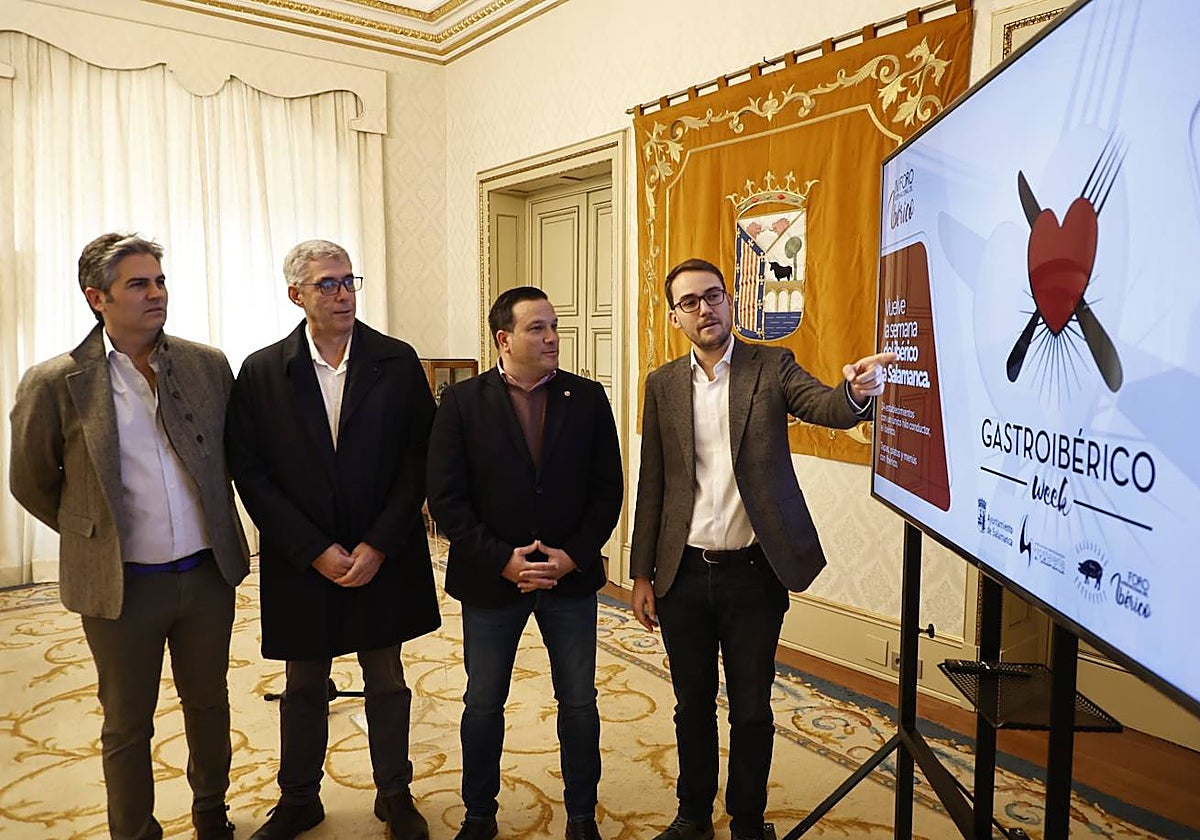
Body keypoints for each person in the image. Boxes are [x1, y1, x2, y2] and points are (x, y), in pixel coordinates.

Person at [629, 258, 894, 840]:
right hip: (682, 575)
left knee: (751, 707)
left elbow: (825, 407)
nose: (706, 309)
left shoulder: (771, 366)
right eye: (691, 302)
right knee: (690, 706)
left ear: (731, 301)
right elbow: (654, 482)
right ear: (676, 316)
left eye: (715, 296)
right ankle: (694, 813)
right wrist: (641, 573)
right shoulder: (663, 384)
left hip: (754, 572)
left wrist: (853, 392)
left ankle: (747, 819)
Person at [8, 233, 250, 840]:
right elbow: (32, 481)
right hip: (122, 586)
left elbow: (234, 455)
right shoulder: (57, 380)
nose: (156, 294)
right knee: (126, 723)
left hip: (204, 574)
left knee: (209, 703)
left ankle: (211, 812)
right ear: (98, 297)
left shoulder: (206, 364)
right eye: (138, 284)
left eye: (159, 281)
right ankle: (133, 830)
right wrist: (89, 534)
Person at [225, 240, 439, 840]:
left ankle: (394, 794)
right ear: (297, 294)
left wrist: (379, 543)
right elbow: (251, 471)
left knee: (387, 679)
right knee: (303, 684)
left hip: (382, 553)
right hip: (304, 557)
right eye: (328, 284)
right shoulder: (263, 370)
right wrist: (312, 548)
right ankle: (299, 799)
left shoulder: (397, 361)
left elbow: (420, 458)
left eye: (349, 281)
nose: (343, 293)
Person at [426, 286, 623, 840]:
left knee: (580, 702)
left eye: (554, 325)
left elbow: (607, 491)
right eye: (537, 328)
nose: (553, 337)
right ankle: (479, 816)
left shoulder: (586, 398)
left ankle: (582, 816)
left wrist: (572, 556)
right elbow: (446, 498)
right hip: (492, 583)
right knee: (483, 704)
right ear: (503, 338)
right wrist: (501, 561)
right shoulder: (462, 403)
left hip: (570, 579)